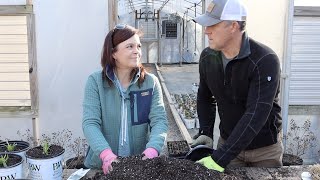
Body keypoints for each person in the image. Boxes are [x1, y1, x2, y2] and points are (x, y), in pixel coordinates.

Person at [191, 0, 283, 172]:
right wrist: (206, 131)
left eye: (212, 25)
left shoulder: (264, 60)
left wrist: (219, 158)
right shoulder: (208, 57)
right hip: (228, 145)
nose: (206, 31)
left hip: (264, 152)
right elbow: (205, 96)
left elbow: (256, 114)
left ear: (233, 26)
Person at [82, 24, 168, 174]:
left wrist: (152, 150)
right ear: (113, 53)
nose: (137, 51)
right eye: (130, 46)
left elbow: (159, 121)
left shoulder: (150, 82)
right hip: (102, 167)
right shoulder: (96, 82)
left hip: (139, 165)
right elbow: (90, 123)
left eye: (139, 46)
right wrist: (106, 155)